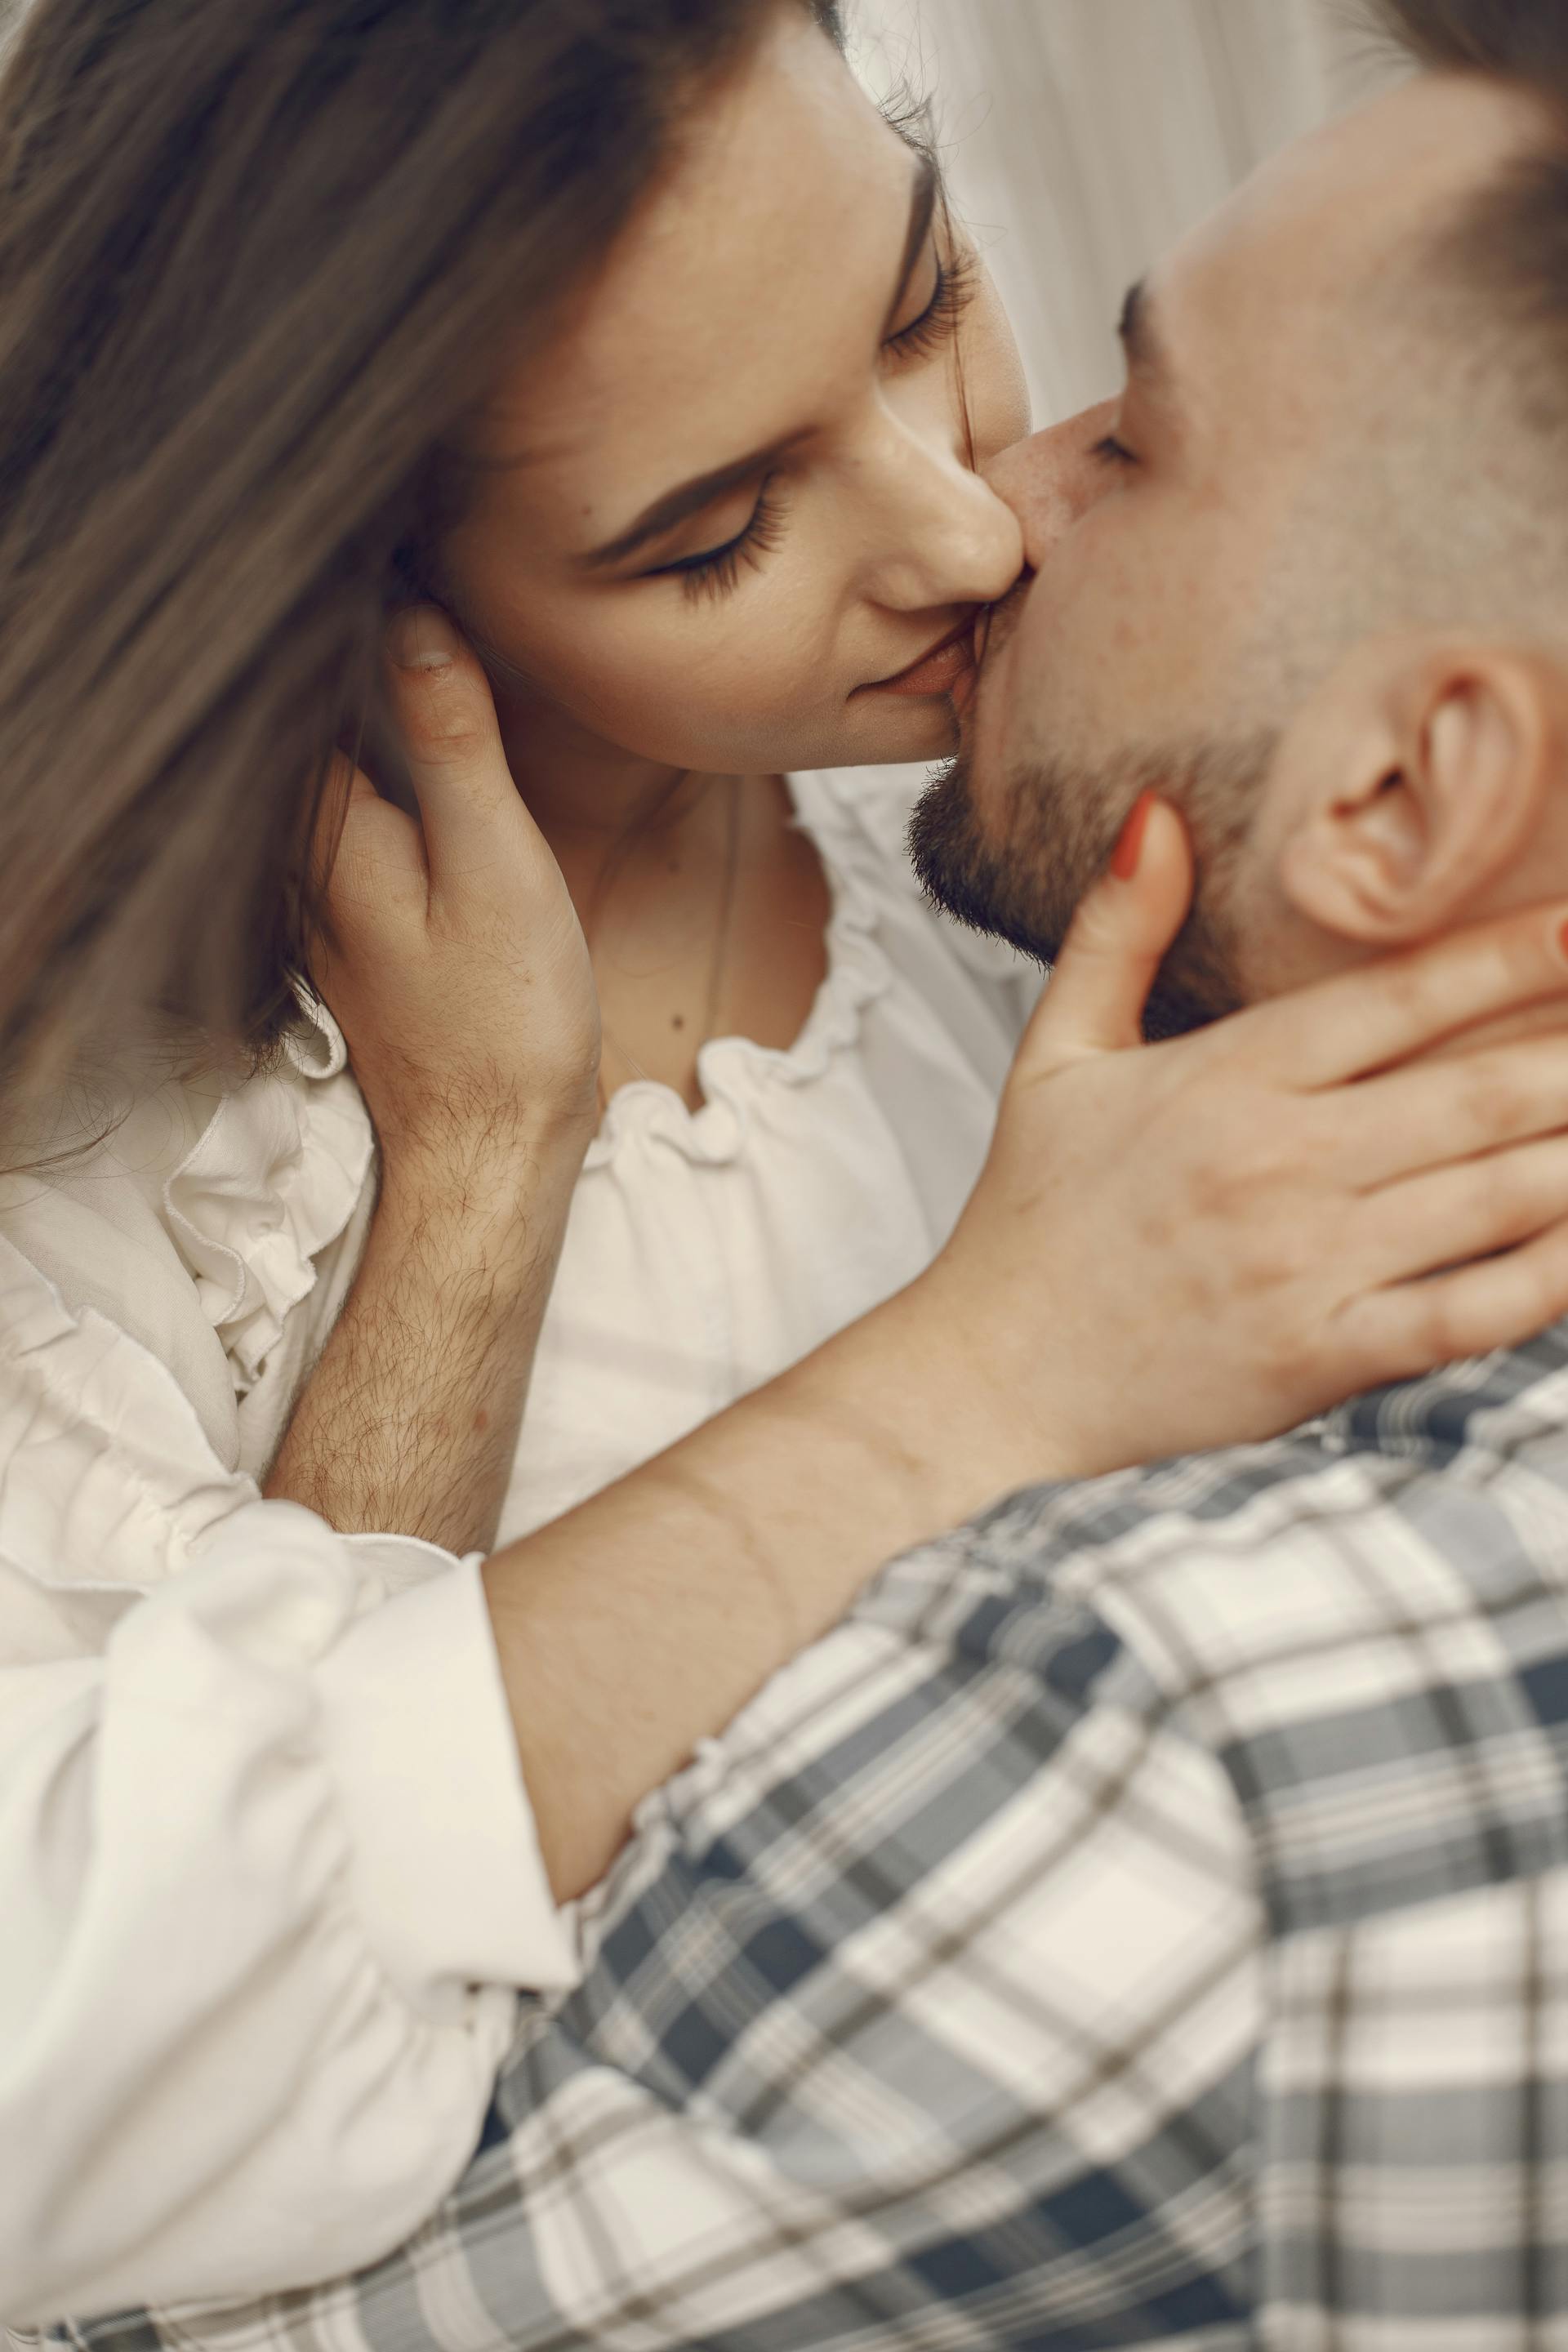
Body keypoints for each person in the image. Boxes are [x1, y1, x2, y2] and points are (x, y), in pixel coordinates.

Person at [7, 0, 1568, 2329]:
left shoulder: (1029, 838)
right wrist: (482, 1181)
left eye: (928, 299)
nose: (969, 522)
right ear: (364, 592)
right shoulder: (122, 1186)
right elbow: (92, 2121)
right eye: (722, 529)